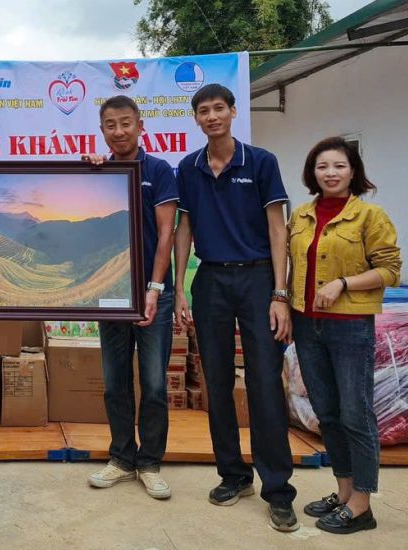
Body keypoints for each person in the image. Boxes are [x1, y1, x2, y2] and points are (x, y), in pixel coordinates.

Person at [173, 84, 298, 531]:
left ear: (232, 111)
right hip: (210, 280)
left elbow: (278, 229)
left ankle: (278, 490)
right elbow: (182, 228)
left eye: (218, 108)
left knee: (264, 382)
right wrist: (181, 289)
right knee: (218, 380)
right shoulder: (187, 168)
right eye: (203, 111)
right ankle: (233, 474)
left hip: (258, 277)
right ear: (196, 118)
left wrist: (280, 294)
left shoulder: (261, 162)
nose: (211, 116)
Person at [289, 137, 401, 535]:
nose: (330, 173)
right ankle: (343, 491)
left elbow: (390, 270)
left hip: (349, 325)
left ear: (353, 171)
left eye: (339, 165)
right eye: (322, 166)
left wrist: (343, 282)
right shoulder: (301, 215)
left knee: (356, 413)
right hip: (307, 324)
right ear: (312, 173)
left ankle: (363, 504)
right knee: (329, 414)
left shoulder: (370, 216)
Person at [83, 95, 178, 499]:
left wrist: (153, 290)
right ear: (102, 130)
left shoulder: (158, 171)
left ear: (140, 126)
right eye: (110, 125)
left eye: (126, 123)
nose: (119, 131)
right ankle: (121, 459)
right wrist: (90, 174)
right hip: (112, 296)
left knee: (154, 384)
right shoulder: (100, 173)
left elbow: (167, 234)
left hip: (154, 292)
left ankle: (151, 462)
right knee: (115, 382)